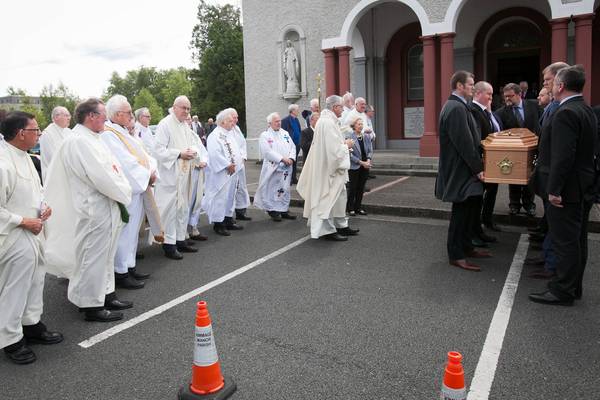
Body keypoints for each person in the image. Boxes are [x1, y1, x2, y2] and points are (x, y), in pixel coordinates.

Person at [44, 98, 133, 322]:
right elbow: (101, 176)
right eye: (103, 114)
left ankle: (106, 294)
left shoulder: (93, 138)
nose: (106, 118)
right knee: (92, 258)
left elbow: (113, 169)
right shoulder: (78, 141)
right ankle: (89, 304)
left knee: (106, 256)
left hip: (107, 205)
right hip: (93, 209)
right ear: (91, 116)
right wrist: (124, 191)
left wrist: (122, 188)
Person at [529, 66, 598, 306]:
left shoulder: (566, 112)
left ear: (560, 86)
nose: (549, 86)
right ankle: (573, 286)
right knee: (576, 240)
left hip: (566, 189)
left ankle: (562, 289)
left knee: (566, 242)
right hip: (580, 185)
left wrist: (554, 189)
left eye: (552, 83)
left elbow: (563, 156)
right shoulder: (584, 108)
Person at [0, 111, 63, 365]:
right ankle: (10, 339)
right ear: (20, 134)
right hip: (14, 236)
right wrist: (23, 221)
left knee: (35, 282)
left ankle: (31, 324)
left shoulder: (27, 157)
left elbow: (35, 191)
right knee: (14, 289)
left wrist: (43, 206)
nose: (39, 134)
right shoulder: (3, 164)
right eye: (35, 130)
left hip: (34, 233)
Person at [101, 95, 158, 289]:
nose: (131, 115)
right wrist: (146, 176)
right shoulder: (109, 134)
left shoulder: (122, 131)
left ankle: (130, 265)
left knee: (133, 232)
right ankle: (121, 271)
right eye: (128, 112)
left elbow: (143, 155)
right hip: (127, 191)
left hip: (136, 190)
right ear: (117, 114)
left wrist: (151, 170)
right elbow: (126, 164)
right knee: (125, 232)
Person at [435, 71, 489, 272]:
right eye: (470, 84)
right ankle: (456, 254)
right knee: (461, 214)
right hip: (461, 170)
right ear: (459, 86)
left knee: (469, 212)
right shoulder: (455, 108)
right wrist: (478, 169)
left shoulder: (460, 106)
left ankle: (467, 246)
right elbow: (465, 144)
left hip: (465, 169)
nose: (473, 88)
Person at [527, 62, 570, 279]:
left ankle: (551, 264)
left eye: (547, 81)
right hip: (546, 172)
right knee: (551, 221)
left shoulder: (563, 108)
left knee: (555, 224)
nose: (544, 85)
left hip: (553, 175)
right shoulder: (555, 106)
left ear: (559, 81)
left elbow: (561, 151)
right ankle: (547, 257)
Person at [297, 95, 359, 241]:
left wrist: (342, 144)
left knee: (340, 197)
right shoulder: (327, 123)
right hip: (328, 170)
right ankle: (327, 230)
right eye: (341, 107)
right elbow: (333, 151)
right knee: (328, 199)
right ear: (335, 107)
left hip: (332, 168)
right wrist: (347, 146)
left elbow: (332, 144)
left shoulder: (328, 121)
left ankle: (341, 225)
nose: (343, 109)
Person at [153, 96, 205, 260]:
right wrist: (179, 154)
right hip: (170, 177)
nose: (186, 111)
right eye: (183, 108)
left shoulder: (184, 125)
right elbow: (158, 150)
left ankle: (181, 239)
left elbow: (194, 143)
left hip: (184, 175)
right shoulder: (165, 124)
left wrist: (193, 152)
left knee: (183, 208)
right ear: (174, 107)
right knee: (171, 211)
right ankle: (169, 245)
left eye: (188, 108)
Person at [496, 82, 541, 216]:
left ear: (519, 94)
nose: (507, 99)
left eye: (510, 96)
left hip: (532, 148)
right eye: (505, 96)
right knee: (513, 177)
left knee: (529, 178)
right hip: (513, 151)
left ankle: (529, 205)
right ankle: (514, 204)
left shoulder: (534, 106)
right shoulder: (501, 112)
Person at [202, 109, 245, 236]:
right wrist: (227, 165)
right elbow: (215, 154)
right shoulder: (215, 136)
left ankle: (228, 219)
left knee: (230, 197)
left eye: (233, 121)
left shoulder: (229, 134)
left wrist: (238, 163)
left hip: (233, 173)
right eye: (230, 121)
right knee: (220, 198)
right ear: (222, 122)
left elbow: (236, 150)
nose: (233, 123)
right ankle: (218, 224)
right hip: (222, 174)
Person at [468, 81, 502, 241]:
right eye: (488, 94)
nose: (491, 97)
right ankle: (475, 232)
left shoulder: (486, 111)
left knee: (487, 195)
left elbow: (496, 130)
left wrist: (489, 112)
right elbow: (478, 139)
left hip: (491, 161)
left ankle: (481, 227)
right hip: (481, 162)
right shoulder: (474, 110)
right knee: (476, 200)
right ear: (478, 93)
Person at [254, 112, 297, 221]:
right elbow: (267, 152)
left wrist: (291, 158)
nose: (279, 123)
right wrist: (282, 159)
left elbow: (292, 147)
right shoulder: (265, 135)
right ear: (270, 123)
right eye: (276, 121)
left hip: (286, 167)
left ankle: (284, 209)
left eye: (279, 121)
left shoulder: (285, 133)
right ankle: (272, 210)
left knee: (285, 188)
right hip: (273, 168)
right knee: (272, 189)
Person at [228, 108, 252, 221]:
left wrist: (243, 156)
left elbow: (242, 144)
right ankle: (228, 216)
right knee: (232, 190)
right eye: (234, 117)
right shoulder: (225, 131)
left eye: (237, 117)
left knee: (241, 187)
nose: (236, 120)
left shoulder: (236, 129)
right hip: (231, 166)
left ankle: (241, 212)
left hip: (240, 164)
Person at [346, 117, 372, 216]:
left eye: (362, 124)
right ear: (354, 125)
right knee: (353, 188)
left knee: (361, 188)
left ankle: (358, 207)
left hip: (365, 166)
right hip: (354, 166)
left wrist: (368, 160)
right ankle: (350, 208)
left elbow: (370, 150)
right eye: (358, 124)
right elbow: (349, 154)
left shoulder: (366, 136)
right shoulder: (349, 137)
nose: (361, 126)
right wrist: (361, 162)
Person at [39, 106, 73, 182]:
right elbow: (53, 158)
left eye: (69, 115)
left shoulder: (69, 132)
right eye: (66, 115)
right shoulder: (47, 134)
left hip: (69, 175)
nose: (69, 118)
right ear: (56, 117)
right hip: (54, 177)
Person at [281, 104, 302, 184]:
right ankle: (288, 179)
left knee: (295, 161)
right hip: (289, 145)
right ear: (292, 111)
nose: (298, 111)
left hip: (297, 144)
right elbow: (283, 133)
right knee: (289, 162)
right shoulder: (285, 120)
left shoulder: (296, 120)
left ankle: (294, 178)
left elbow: (299, 130)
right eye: (297, 110)